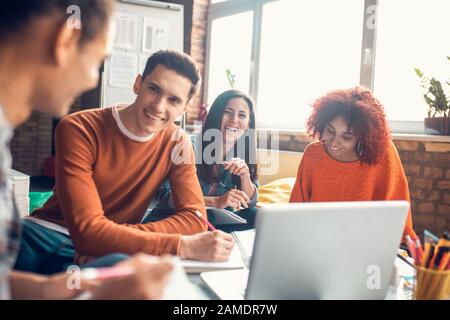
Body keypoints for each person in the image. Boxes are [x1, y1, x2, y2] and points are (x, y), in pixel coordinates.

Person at [0, 0, 175, 299]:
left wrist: (66, 289)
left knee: (116, 266)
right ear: (65, 40)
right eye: (97, 62)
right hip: (55, 236)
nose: (94, 79)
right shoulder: (79, 127)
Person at [14, 49, 235, 275]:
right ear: (138, 84)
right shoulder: (78, 128)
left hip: (113, 251)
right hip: (46, 236)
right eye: (154, 89)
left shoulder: (178, 142)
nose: (159, 106)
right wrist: (181, 245)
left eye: (174, 100)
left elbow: (194, 220)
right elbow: (87, 231)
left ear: (184, 107)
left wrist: (112, 240)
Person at [289, 86, 417, 240]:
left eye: (347, 136)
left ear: (363, 136)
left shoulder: (384, 153)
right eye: (330, 131)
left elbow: (398, 218)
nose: (335, 142)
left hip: (368, 244)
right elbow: (294, 213)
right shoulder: (313, 154)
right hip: (317, 241)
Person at [153, 90, 259, 232]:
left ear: (248, 124)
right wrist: (215, 202)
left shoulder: (243, 152)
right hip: (176, 217)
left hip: (214, 222)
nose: (234, 120)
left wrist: (245, 177)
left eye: (242, 115)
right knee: (209, 218)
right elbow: (163, 194)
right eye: (227, 112)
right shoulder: (188, 145)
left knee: (255, 215)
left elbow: (250, 203)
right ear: (216, 115)